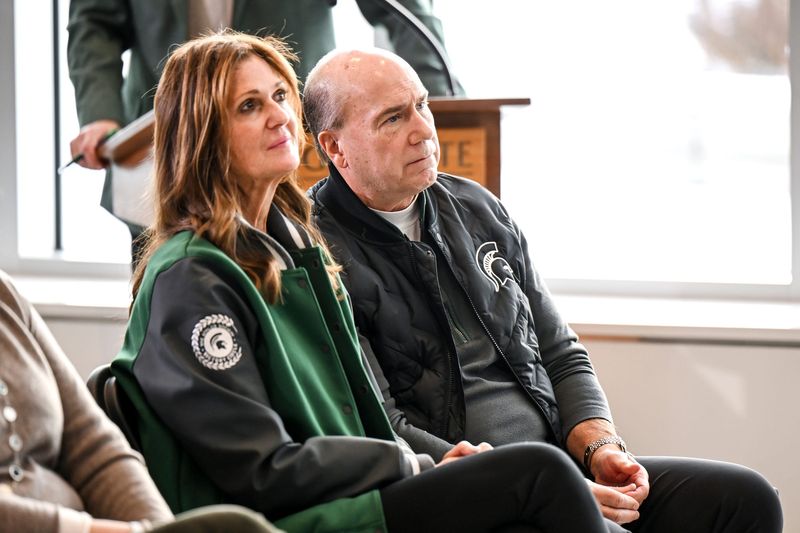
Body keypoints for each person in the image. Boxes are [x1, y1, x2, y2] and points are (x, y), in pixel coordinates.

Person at [110, 30, 617, 532]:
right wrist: (410, 464)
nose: (279, 116)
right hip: (300, 516)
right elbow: (258, 471)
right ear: (203, 133)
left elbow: (361, 414)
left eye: (281, 95)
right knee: (539, 474)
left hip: (365, 486)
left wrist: (432, 465)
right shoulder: (192, 278)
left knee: (643, 489)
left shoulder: (296, 249)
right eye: (248, 106)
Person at [304, 47, 785, 532]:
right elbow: (379, 422)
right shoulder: (315, 254)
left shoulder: (476, 208)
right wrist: (551, 489)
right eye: (392, 119)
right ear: (336, 146)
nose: (424, 130)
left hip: (559, 463)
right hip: (469, 491)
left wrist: (600, 448)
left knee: (743, 499)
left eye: (422, 105)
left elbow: (559, 352)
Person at [66, 0, 463, 265]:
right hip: (163, 141)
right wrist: (99, 113)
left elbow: (402, 9)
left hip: (299, 141)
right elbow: (94, 22)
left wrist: (436, 100)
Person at [0, 269, 283, 533]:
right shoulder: (188, 274)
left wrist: (156, 527)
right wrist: (88, 529)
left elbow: (93, 445)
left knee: (235, 526)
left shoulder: (6, 296)